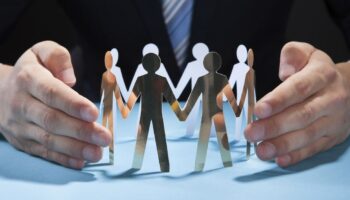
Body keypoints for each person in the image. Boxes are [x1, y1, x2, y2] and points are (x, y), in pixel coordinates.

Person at [0, 0, 350, 169]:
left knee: (217, 136)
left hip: (266, 129)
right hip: (96, 129)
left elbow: (192, 85)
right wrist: (3, 89)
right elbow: (139, 83)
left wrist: (346, 85)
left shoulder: (230, 75)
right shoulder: (117, 76)